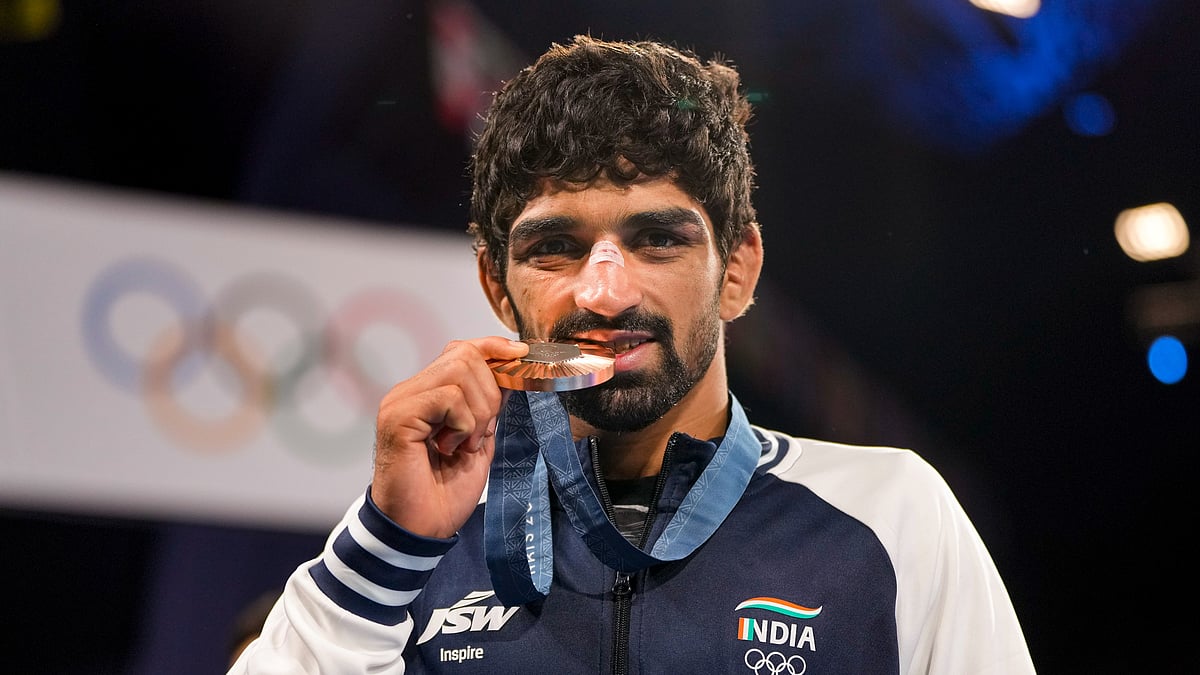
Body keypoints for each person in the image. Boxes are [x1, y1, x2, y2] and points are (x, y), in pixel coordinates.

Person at [229, 35, 1035, 674]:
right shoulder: (416, 540)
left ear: (739, 269)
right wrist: (390, 544)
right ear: (495, 283)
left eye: (656, 239)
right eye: (555, 247)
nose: (605, 293)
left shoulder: (891, 516)